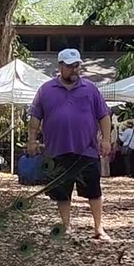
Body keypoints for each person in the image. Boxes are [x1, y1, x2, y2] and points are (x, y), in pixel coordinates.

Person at [26, 48, 114, 241]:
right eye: (69, 66)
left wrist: (106, 139)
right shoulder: (46, 90)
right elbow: (35, 116)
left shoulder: (90, 89)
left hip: (86, 149)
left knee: (94, 190)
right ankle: (66, 226)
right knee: (62, 191)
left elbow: (104, 115)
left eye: (77, 66)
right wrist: (32, 140)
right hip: (57, 150)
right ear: (60, 67)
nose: (74, 70)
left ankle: (99, 228)